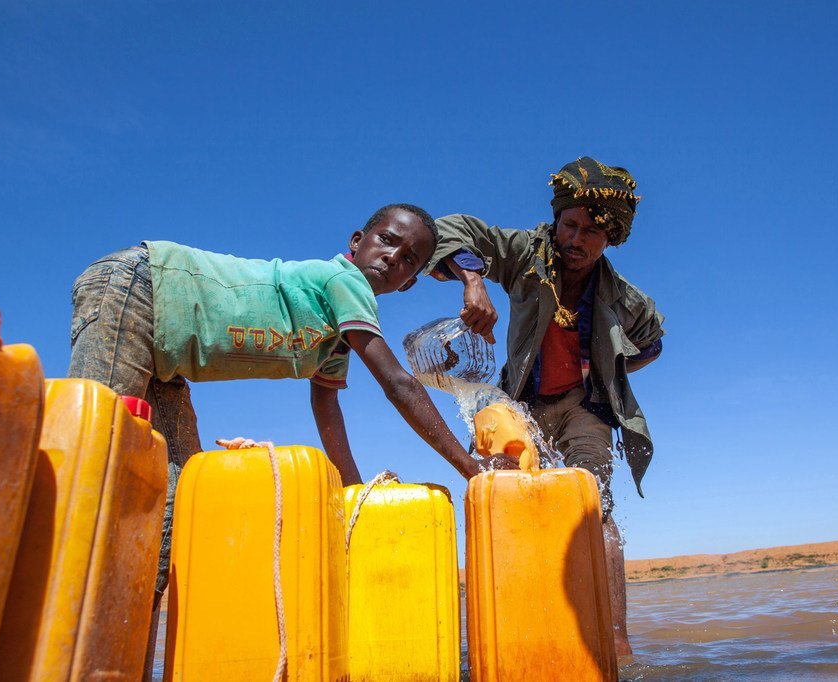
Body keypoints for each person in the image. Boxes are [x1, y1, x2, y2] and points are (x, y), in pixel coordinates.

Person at [66, 203, 511, 649]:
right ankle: (62, 645)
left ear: (409, 282)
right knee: (102, 482)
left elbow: (326, 403)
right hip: (139, 289)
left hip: (165, 361)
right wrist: (472, 468)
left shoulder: (334, 333)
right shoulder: (343, 281)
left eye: (409, 259)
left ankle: (116, 657)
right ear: (357, 243)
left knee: (167, 514)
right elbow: (398, 384)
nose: (394, 257)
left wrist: (353, 492)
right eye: (387, 240)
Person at [428, 157, 665, 659]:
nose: (575, 239)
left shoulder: (623, 297)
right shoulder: (525, 254)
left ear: (610, 239)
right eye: (569, 225)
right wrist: (474, 282)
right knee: (502, 500)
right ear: (557, 221)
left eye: (590, 232)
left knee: (592, 509)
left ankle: (614, 640)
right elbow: (451, 229)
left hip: (586, 408)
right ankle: (515, 628)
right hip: (522, 402)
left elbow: (653, 340)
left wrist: (612, 371)